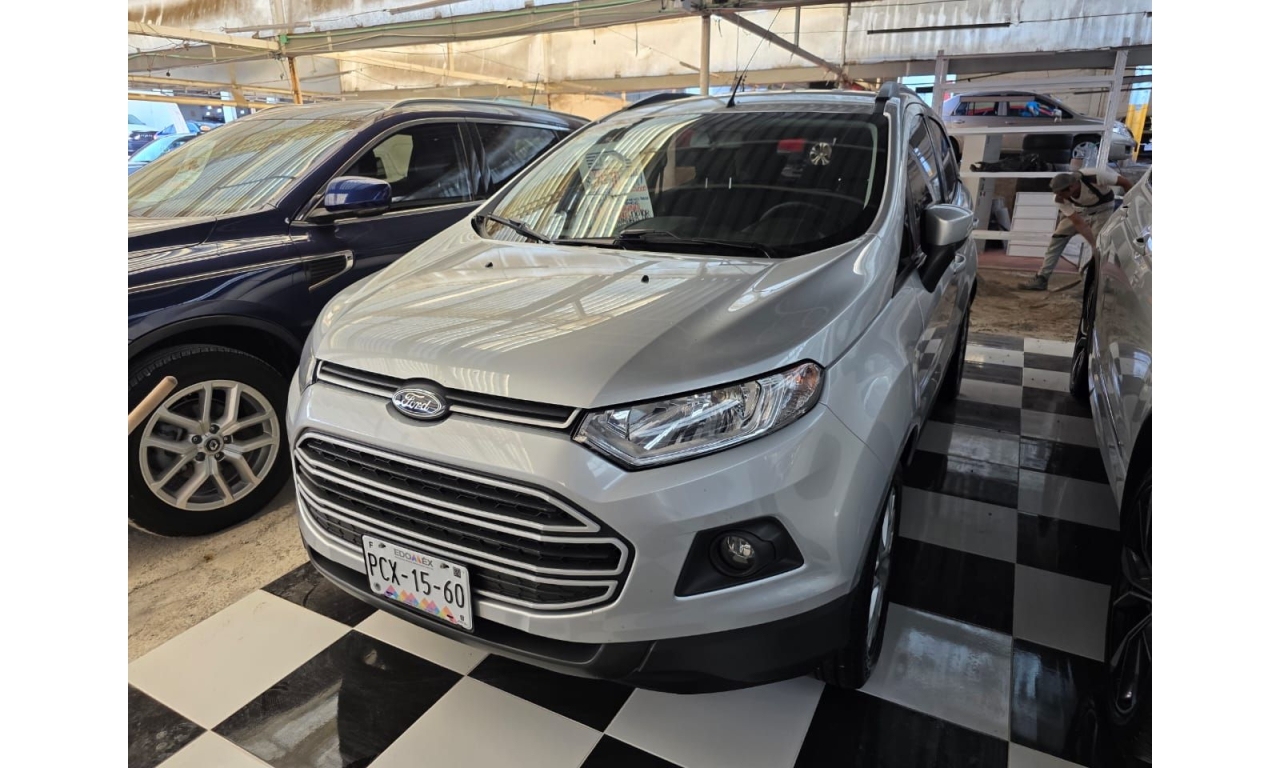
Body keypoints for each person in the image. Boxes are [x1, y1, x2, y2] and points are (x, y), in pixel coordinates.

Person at [1020, 168, 1134, 290]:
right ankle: (1042, 278)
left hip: (1103, 210)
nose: (1058, 196)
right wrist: (1093, 244)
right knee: (1058, 238)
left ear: (1071, 187)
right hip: (1080, 211)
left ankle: (1103, 282)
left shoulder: (1094, 177)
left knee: (1102, 246)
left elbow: (1125, 183)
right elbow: (1078, 223)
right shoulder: (1059, 199)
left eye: (1061, 193)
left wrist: (1130, 206)